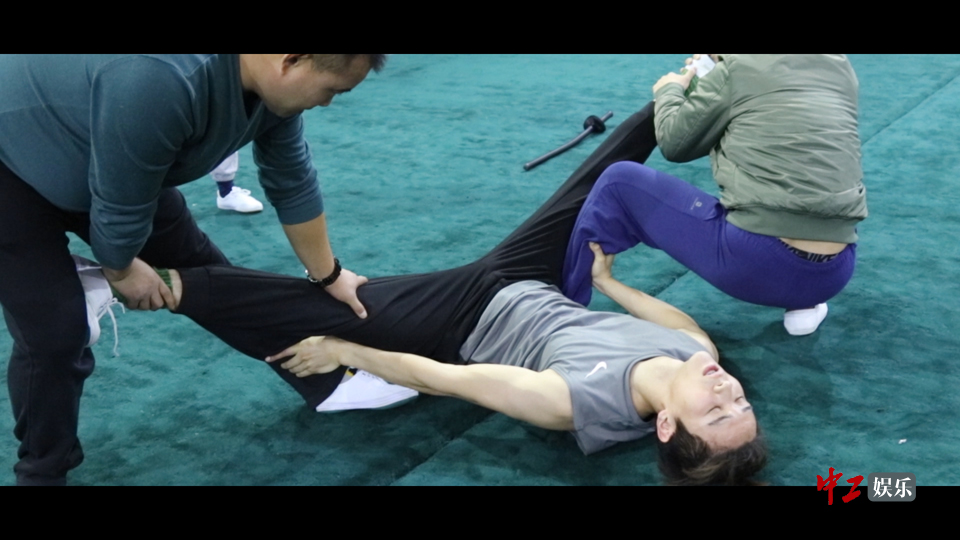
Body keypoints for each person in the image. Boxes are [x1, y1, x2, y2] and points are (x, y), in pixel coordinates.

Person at [117, 103, 765, 485]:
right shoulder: (697, 353)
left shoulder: (574, 404)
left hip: (460, 319)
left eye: (717, 413)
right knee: (595, 179)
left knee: (317, 310)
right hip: (529, 277)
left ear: (665, 424)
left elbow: (447, 378)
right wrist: (608, 284)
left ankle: (141, 280)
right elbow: (669, 317)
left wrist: (346, 352)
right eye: (739, 402)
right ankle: (695, 80)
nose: (728, 391)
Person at [0, 54, 385, 485]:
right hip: (10, 169)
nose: (328, 103)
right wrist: (121, 269)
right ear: (290, 60)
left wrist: (329, 274)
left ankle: (329, 381)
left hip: (104, 164)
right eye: (332, 90)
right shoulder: (158, 77)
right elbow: (120, 204)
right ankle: (42, 473)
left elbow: (292, 179)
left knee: (215, 280)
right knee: (54, 333)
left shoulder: (275, 94)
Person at [562, 55, 866, 336]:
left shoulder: (737, 70)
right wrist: (717, 76)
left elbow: (675, 143)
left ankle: (562, 311)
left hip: (756, 265)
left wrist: (669, 91)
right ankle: (804, 306)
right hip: (835, 273)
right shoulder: (839, 65)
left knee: (619, 181)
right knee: (802, 179)